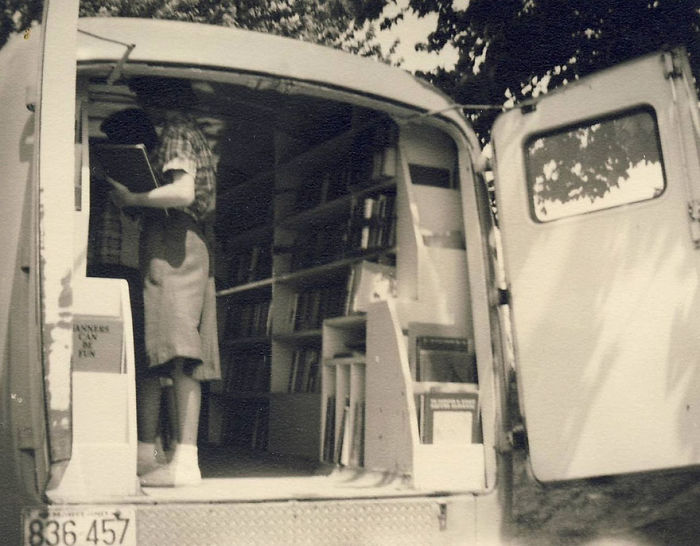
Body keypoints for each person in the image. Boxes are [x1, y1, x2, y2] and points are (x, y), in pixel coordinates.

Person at [108, 77, 220, 487]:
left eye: (145, 96)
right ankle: (155, 456)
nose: (145, 106)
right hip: (177, 239)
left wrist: (134, 199)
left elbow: (183, 192)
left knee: (178, 349)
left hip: (176, 240)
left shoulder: (174, 131)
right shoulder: (190, 133)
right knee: (164, 347)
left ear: (159, 98)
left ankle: (183, 463)